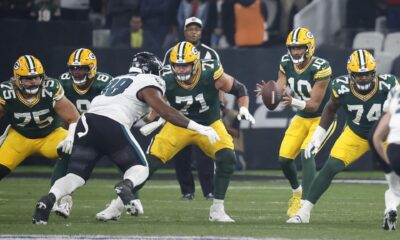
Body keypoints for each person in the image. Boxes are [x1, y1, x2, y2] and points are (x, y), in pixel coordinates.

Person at [32, 51, 221, 225]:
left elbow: (146, 113)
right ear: (152, 69)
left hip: (87, 122)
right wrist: (199, 127)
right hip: (111, 123)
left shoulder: (119, 79)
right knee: (140, 168)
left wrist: (155, 121)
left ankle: (48, 199)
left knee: (76, 176)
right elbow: (165, 110)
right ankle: (126, 186)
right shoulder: (149, 80)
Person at [96, 41, 255, 223]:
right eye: (177, 66)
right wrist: (150, 119)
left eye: (184, 65)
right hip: (178, 125)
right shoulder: (165, 78)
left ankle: (217, 210)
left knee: (228, 158)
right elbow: (158, 103)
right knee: (147, 165)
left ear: (196, 63)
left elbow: (239, 88)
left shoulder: (210, 71)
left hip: (209, 124)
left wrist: (244, 108)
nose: (180, 70)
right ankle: (115, 206)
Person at [287, 49, 398, 224]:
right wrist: (318, 137)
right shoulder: (341, 86)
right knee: (330, 167)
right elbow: (330, 110)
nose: (363, 78)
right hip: (356, 134)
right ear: (350, 74)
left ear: (374, 72)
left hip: (384, 135)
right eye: (358, 75)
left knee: (395, 174)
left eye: (367, 74)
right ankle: (304, 212)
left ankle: (390, 208)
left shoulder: (389, 84)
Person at [256, 27, 334, 218]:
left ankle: (305, 206)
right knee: (284, 158)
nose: (296, 52)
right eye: (293, 48)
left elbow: (315, 105)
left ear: (309, 47)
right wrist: (270, 91)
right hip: (301, 117)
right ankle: (297, 192)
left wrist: (294, 101)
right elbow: (280, 86)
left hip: (322, 119)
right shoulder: (286, 62)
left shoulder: (321, 67)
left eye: (300, 48)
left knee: (307, 153)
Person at [50, 48, 113, 218]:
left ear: (92, 68)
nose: (77, 72)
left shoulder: (104, 82)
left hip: (102, 129)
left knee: (124, 159)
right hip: (77, 130)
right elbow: (58, 109)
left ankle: (129, 199)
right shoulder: (64, 82)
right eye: (74, 68)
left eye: (82, 68)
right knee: (65, 155)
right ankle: (58, 198)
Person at [163, 16, 221, 201]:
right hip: (180, 108)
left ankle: (209, 190)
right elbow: (164, 81)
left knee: (206, 153)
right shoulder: (172, 53)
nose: (194, 31)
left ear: (201, 32)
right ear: (184, 31)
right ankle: (187, 191)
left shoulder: (210, 53)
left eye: (197, 28)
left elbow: (219, 80)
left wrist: (219, 104)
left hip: (203, 109)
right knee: (180, 154)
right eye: (190, 28)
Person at [0, 55, 79, 184]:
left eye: (36, 77)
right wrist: (4, 133)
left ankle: (61, 195)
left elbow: (74, 117)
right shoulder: (6, 92)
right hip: (19, 137)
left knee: (73, 149)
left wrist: (70, 138)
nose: (33, 82)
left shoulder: (50, 88)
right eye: (28, 78)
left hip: (50, 135)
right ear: (17, 79)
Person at [371, 84, 400, 230]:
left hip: (394, 149)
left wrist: (388, 164)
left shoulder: (396, 90)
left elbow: (376, 137)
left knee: (395, 188)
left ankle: (390, 209)